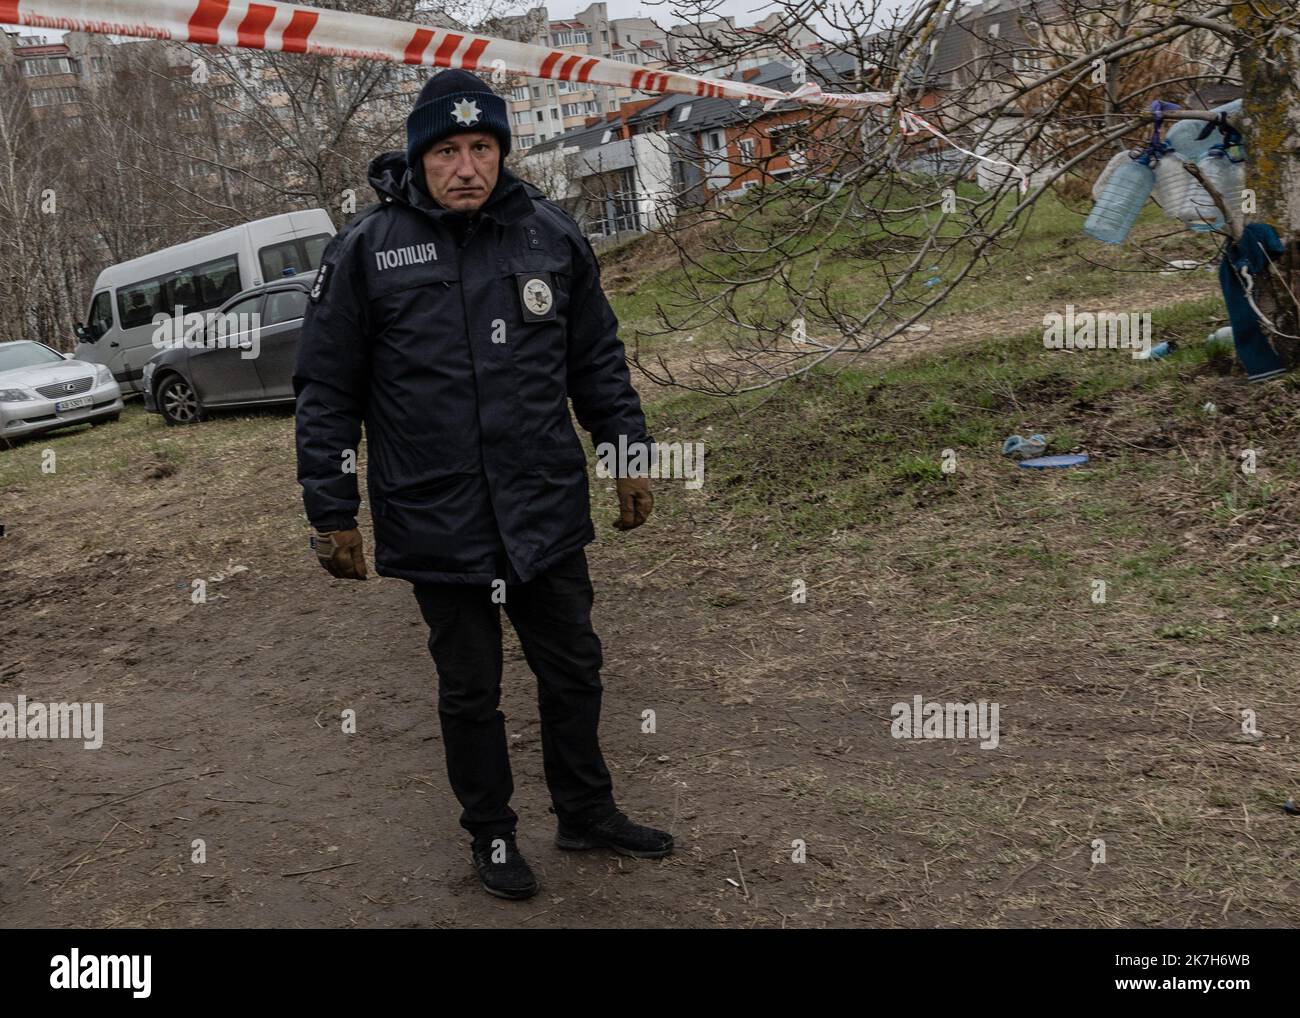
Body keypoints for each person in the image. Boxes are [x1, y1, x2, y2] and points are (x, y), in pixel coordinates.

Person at [293, 69, 672, 901]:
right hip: (438, 518)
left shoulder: (550, 236)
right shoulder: (368, 250)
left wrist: (627, 452)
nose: (466, 167)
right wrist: (333, 509)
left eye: (482, 147)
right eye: (447, 151)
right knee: (471, 692)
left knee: (574, 669)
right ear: (418, 157)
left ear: (501, 151)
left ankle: (586, 810)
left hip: (543, 506)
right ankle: (492, 836)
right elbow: (327, 393)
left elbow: (596, 360)